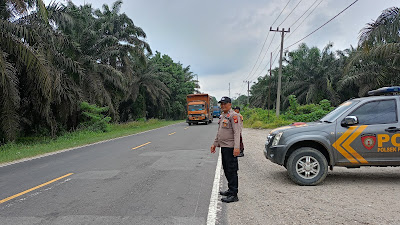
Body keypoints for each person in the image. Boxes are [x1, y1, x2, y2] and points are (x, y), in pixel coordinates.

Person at [211, 96, 242, 203]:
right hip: (224, 147)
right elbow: (219, 132)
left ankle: (234, 194)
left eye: (225, 104)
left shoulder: (234, 116)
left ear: (230, 104)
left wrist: (237, 147)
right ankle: (230, 189)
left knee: (232, 170)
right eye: (221, 104)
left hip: (231, 147)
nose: (222, 106)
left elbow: (237, 132)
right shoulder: (223, 116)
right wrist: (215, 144)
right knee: (226, 169)